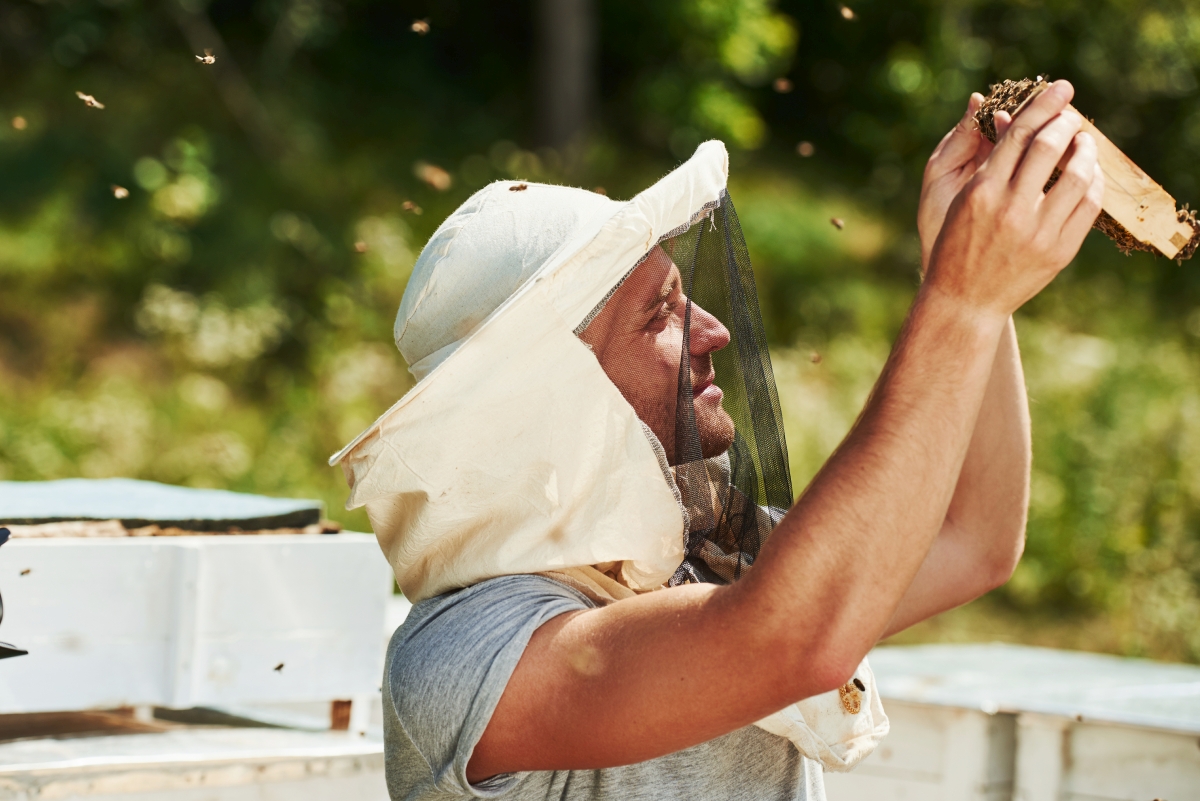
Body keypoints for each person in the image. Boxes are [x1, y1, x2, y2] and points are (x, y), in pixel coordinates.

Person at [331, 80, 1103, 800]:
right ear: (551, 392)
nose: (713, 329)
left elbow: (973, 538)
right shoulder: (465, 653)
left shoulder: (706, 560)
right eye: (659, 314)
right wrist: (959, 301)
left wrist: (967, 270)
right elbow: (789, 636)